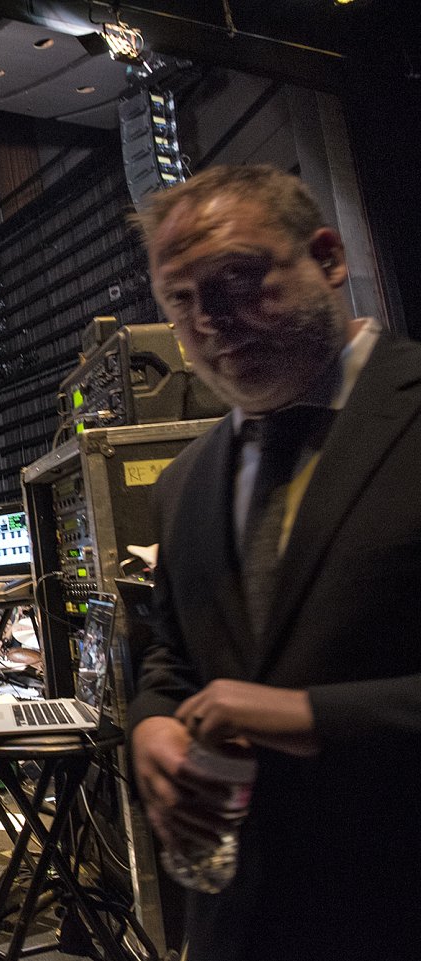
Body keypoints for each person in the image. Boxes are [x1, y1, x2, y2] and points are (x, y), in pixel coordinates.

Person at [127, 164, 421, 961]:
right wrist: (151, 722)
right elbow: (172, 655)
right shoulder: (186, 482)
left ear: (327, 258)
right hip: (247, 924)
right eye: (182, 303)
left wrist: (310, 716)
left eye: (236, 281)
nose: (212, 322)